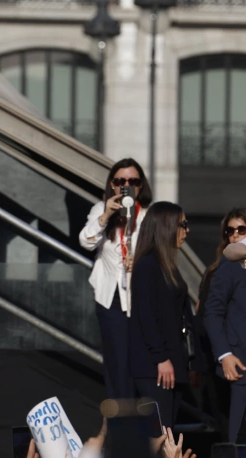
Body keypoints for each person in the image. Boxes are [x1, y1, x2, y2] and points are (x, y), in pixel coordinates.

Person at [79, 158, 152, 399]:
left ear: (141, 185)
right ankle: (119, 421)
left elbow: (162, 254)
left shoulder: (148, 216)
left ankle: (144, 423)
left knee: (139, 362)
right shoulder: (101, 209)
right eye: (120, 181)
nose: (126, 185)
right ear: (112, 184)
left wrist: (140, 262)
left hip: (140, 299)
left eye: (133, 181)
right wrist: (107, 215)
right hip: (110, 297)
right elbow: (86, 241)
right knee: (116, 362)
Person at [129, 201, 198, 428]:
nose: (187, 231)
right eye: (182, 224)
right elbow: (146, 316)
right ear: (166, 226)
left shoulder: (167, 265)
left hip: (171, 365)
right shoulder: (147, 266)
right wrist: (161, 358)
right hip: (155, 368)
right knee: (159, 435)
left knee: (167, 431)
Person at [198, 207, 246, 442]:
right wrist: (224, 354)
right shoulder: (225, 267)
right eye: (229, 231)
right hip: (238, 362)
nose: (235, 234)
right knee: (239, 436)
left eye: (240, 229)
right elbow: (209, 313)